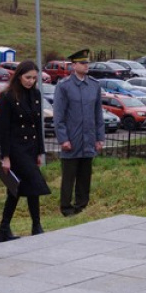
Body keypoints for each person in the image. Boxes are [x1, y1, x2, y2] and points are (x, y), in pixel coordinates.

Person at [0, 61, 51, 241]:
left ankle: (6, 228)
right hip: (15, 148)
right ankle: (35, 225)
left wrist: (39, 152)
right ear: (19, 75)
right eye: (27, 77)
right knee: (34, 183)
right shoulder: (8, 96)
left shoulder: (35, 94)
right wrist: (5, 156)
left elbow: (38, 126)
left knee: (19, 188)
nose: (30, 81)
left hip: (30, 147)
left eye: (34, 78)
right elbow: (3, 128)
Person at [53, 49, 105, 217]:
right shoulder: (64, 86)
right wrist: (63, 139)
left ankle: (82, 206)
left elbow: (98, 114)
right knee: (69, 176)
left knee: (85, 175)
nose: (86, 65)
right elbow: (59, 115)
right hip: (72, 139)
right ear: (74, 65)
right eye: (82, 63)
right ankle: (66, 208)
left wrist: (99, 138)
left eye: (87, 63)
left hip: (88, 139)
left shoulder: (94, 85)